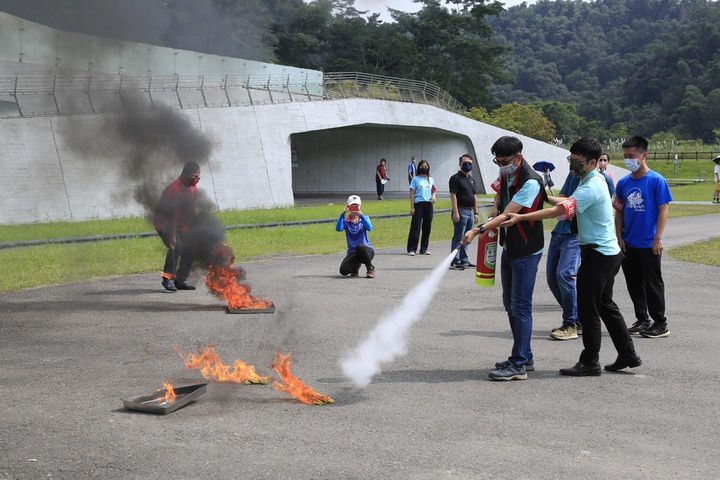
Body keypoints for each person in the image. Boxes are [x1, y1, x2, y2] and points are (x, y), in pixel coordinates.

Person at [502, 137, 641, 376]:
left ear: (595, 162)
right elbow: (566, 201)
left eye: (579, 162)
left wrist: (522, 217)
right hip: (607, 253)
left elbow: (562, 211)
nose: (573, 165)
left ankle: (590, 361)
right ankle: (628, 354)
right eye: (571, 159)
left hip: (598, 255)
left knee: (589, 309)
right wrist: (544, 196)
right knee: (606, 305)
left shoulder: (591, 186)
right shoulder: (589, 179)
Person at [462, 137, 545, 381]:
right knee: (510, 303)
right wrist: (496, 205)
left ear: (518, 157)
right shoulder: (510, 175)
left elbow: (510, 213)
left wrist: (477, 229)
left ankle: (518, 364)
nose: (501, 165)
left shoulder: (531, 181)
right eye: (497, 161)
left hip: (527, 250)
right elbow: (501, 200)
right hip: (511, 246)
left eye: (505, 161)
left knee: (520, 306)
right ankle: (524, 355)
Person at [614, 136, 673, 338]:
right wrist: (619, 237)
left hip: (649, 243)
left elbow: (663, 210)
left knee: (653, 284)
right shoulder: (623, 183)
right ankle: (642, 319)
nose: (628, 159)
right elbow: (619, 211)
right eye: (625, 156)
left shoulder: (657, 181)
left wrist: (657, 239)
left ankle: (660, 323)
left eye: (631, 156)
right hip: (628, 243)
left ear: (643, 155)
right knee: (634, 283)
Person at [153, 161, 201, 292]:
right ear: (184, 174)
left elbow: (192, 208)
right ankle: (167, 279)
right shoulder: (175, 189)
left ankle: (180, 280)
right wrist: (172, 236)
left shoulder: (192, 187)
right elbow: (171, 216)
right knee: (177, 247)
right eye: (193, 177)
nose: (196, 180)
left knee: (191, 248)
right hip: (165, 223)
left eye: (198, 177)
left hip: (181, 224)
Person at [546, 171, 581, 340]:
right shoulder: (573, 175)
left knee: (564, 275)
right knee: (553, 279)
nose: (573, 163)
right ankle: (578, 318)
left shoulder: (597, 180)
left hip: (574, 236)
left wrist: (544, 197)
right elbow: (562, 198)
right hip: (559, 231)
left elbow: (570, 203)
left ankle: (570, 324)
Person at [449, 154, 479, 270]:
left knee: (467, 237)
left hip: (470, 212)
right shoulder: (455, 178)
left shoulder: (471, 180)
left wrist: (476, 212)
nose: (467, 165)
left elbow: (474, 196)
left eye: (470, 163)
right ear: (460, 164)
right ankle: (455, 261)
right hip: (460, 211)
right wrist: (456, 212)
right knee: (458, 237)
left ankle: (464, 259)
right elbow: (453, 196)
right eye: (465, 163)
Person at [336, 195, 376, 278]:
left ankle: (370, 268)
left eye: (356, 206)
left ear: (360, 206)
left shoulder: (364, 218)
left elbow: (369, 228)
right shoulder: (346, 221)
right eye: (352, 206)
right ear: (348, 207)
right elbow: (338, 229)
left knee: (360, 247)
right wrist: (342, 214)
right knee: (343, 271)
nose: (354, 208)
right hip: (353, 252)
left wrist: (361, 215)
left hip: (366, 251)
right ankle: (355, 267)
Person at [406, 160, 436, 256]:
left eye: (426, 166)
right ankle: (412, 249)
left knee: (427, 227)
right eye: (422, 166)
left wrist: (434, 196)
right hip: (418, 204)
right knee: (416, 227)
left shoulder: (430, 179)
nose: (424, 168)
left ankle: (424, 248)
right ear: (419, 168)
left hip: (428, 205)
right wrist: (412, 207)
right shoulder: (415, 179)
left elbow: (433, 189)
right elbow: (411, 193)